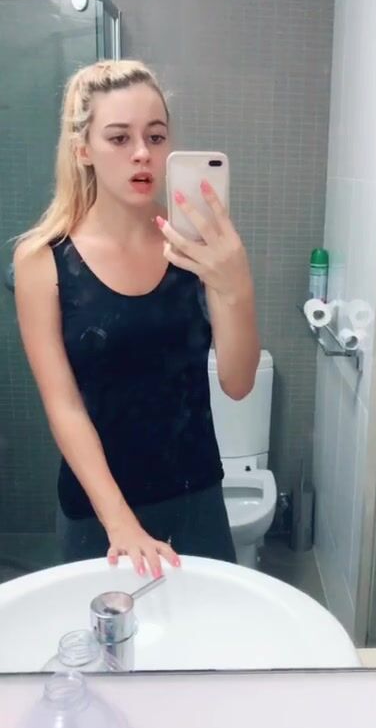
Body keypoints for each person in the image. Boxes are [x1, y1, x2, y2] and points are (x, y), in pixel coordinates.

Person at [14, 59, 260, 578]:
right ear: (83, 149)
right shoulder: (43, 259)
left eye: (156, 136)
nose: (143, 152)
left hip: (197, 497)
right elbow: (64, 406)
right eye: (119, 138)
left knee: (208, 631)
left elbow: (238, 383)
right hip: (97, 512)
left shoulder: (196, 249)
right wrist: (120, 522)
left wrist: (236, 283)